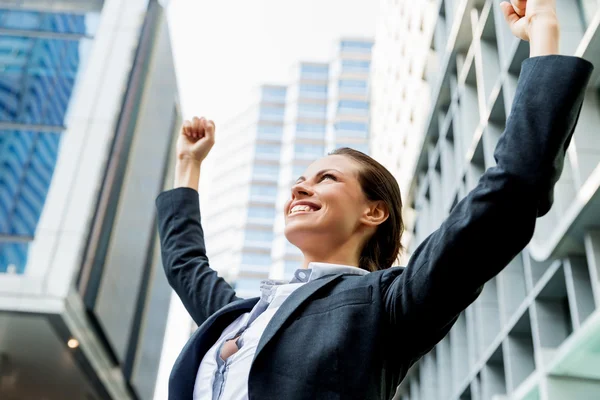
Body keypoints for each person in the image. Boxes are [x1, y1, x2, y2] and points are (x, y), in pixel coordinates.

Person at [155, 0, 594, 398]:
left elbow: (510, 191)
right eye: (300, 179)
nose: (299, 188)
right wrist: (188, 166)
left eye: (325, 178)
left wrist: (543, 28)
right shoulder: (238, 316)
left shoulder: (387, 304)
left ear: (374, 211)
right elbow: (184, 264)